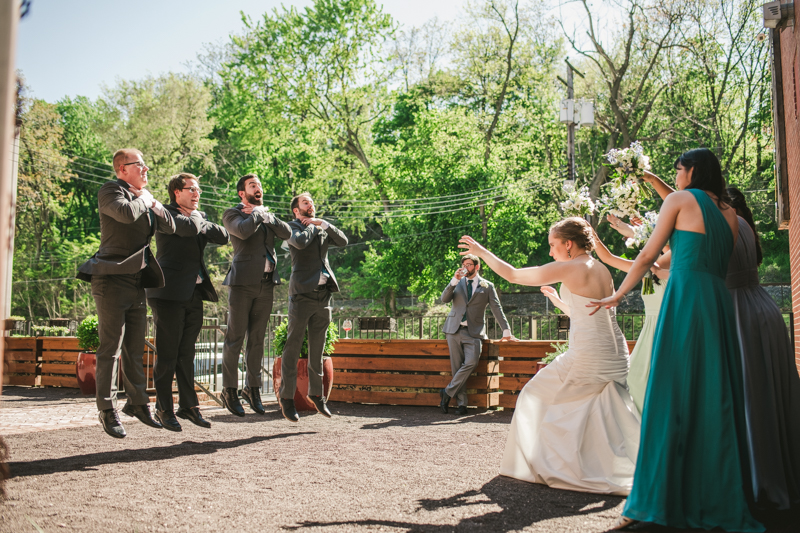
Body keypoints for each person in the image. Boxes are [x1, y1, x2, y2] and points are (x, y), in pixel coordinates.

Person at [589, 148, 763, 532]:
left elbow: (649, 254)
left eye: (679, 169)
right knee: (712, 397)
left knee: (668, 396)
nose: (677, 176)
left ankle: (650, 502)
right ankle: (710, 495)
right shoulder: (730, 214)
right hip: (717, 304)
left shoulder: (681, 200)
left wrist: (618, 295)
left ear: (693, 171)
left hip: (685, 300)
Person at [458, 218, 640, 495]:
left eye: (553, 245)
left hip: (588, 354)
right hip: (614, 350)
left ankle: (558, 466)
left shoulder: (572, 267)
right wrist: (559, 302)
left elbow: (514, 275)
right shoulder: (600, 268)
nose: (551, 252)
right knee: (599, 410)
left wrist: (482, 252)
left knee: (535, 394)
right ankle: (606, 465)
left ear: (568, 244)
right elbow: (590, 311)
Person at [77, 148, 176, 439]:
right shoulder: (111, 190)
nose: (146, 169)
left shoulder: (143, 198)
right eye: (140, 165)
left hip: (136, 281)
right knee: (111, 347)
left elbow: (169, 227)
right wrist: (145, 199)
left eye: (146, 165)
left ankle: (138, 403)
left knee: (135, 347)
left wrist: (155, 204)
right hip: (110, 278)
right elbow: (124, 213)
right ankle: (107, 409)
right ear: (122, 169)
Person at [725, 186, 800, 520]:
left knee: (749, 396)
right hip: (764, 310)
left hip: (740, 313)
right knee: (768, 394)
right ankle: (777, 472)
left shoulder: (725, 228)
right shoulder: (747, 227)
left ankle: (757, 482)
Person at [145, 173, 230, 431]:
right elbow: (186, 229)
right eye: (191, 189)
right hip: (168, 293)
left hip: (194, 293)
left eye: (198, 190)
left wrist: (199, 219)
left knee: (187, 354)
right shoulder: (163, 214)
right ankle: (163, 408)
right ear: (176, 192)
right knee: (168, 355)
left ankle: (188, 407)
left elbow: (224, 236)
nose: (197, 194)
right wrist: (197, 220)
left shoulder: (197, 216)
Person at [220, 174, 291, 417]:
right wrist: (259, 215)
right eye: (253, 186)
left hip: (266, 284)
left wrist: (267, 215)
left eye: (260, 185)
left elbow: (287, 232)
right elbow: (242, 232)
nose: (258, 188)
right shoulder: (233, 214)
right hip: (241, 284)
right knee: (235, 337)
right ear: (242, 193)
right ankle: (229, 389)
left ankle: (253, 389)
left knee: (257, 340)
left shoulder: (267, 215)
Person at [279, 193, 348, 422]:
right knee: (293, 347)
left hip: (323, 296)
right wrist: (310, 225)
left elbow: (343, 241)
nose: (312, 206)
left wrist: (324, 224)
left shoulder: (320, 228)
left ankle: (317, 395)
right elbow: (300, 242)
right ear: (296, 211)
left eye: (312, 203)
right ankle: (287, 398)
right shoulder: (291, 228)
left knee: (317, 350)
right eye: (306, 203)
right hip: (301, 295)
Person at [592, 218, 670, 414]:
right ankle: (645, 427)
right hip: (650, 330)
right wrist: (592, 236)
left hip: (669, 327)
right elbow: (608, 258)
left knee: (659, 381)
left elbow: (663, 256)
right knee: (636, 379)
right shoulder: (646, 268)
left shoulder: (677, 264)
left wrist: (640, 232)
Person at [439, 254, 516, 416]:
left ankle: (447, 392)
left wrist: (506, 330)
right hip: (453, 330)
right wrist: (453, 281)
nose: (466, 267)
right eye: (464, 264)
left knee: (471, 363)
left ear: (477, 266)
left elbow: (497, 308)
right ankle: (462, 404)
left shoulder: (487, 286)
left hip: (474, 332)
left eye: (469, 264)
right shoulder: (457, 282)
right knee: (456, 368)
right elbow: (444, 299)